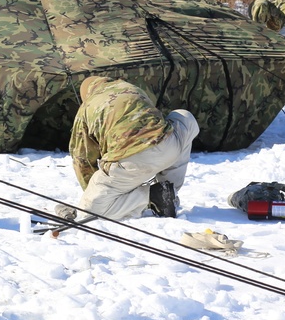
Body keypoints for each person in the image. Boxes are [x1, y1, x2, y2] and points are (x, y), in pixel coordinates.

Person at [65, 76, 200, 221]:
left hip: (132, 162)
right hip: (169, 146)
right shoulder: (131, 88)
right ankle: (169, 190)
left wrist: (94, 192)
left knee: (90, 212)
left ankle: (153, 196)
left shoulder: (86, 107)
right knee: (185, 117)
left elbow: (82, 160)